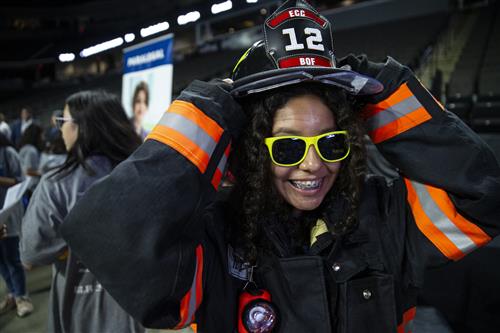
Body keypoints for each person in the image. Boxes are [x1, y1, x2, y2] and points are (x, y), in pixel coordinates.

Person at [60, 1, 500, 332]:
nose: (313, 164)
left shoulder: (385, 215)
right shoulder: (211, 235)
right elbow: (111, 236)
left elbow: (483, 196)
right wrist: (210, 110)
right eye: (287, 147)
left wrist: (383, 89)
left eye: (330, 143)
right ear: (253, 149)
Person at [20, 91, 144, 333]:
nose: (60, 130)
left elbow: (30, 255)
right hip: (128, 311)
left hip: (77, 310)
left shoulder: (55, 185)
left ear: (83, 127)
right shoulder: (142, 175)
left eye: (63, 122)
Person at [0, 132, 33, 318]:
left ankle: (22, 297)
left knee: (12, 257)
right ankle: (12, 293)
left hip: (7, 213)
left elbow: (21, 181)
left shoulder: (8, 153)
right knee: (1, 261)